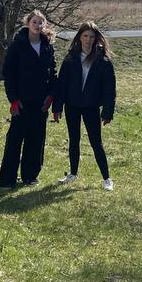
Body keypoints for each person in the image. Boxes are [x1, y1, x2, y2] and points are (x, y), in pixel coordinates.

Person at [52, 21, 116, 191]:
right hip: (72, 105)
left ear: (96, 39)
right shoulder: (70, 58)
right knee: (74, 139)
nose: (88, 39)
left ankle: (107, 179)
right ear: (80, 37)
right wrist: (57, 107)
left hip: (91, 106)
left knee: (96, 142)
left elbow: (109, 89)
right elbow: (62, 84)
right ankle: (73, 173)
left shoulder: (103, 60)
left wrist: (108, 111)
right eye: (85, 36)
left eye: (92, 36)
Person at [0, 9, 57, 189]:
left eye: (41, 22)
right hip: (22, 101)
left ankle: (30, 176)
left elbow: (53, 73)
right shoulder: (18, 45)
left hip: (41, 102)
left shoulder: (47, 46)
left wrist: (50, 96)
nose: (38, 25)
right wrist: (13, 99)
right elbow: (9, 74)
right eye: (34, 22)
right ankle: (7, 179)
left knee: (36, 139)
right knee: (15, 140)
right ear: (28, 24)